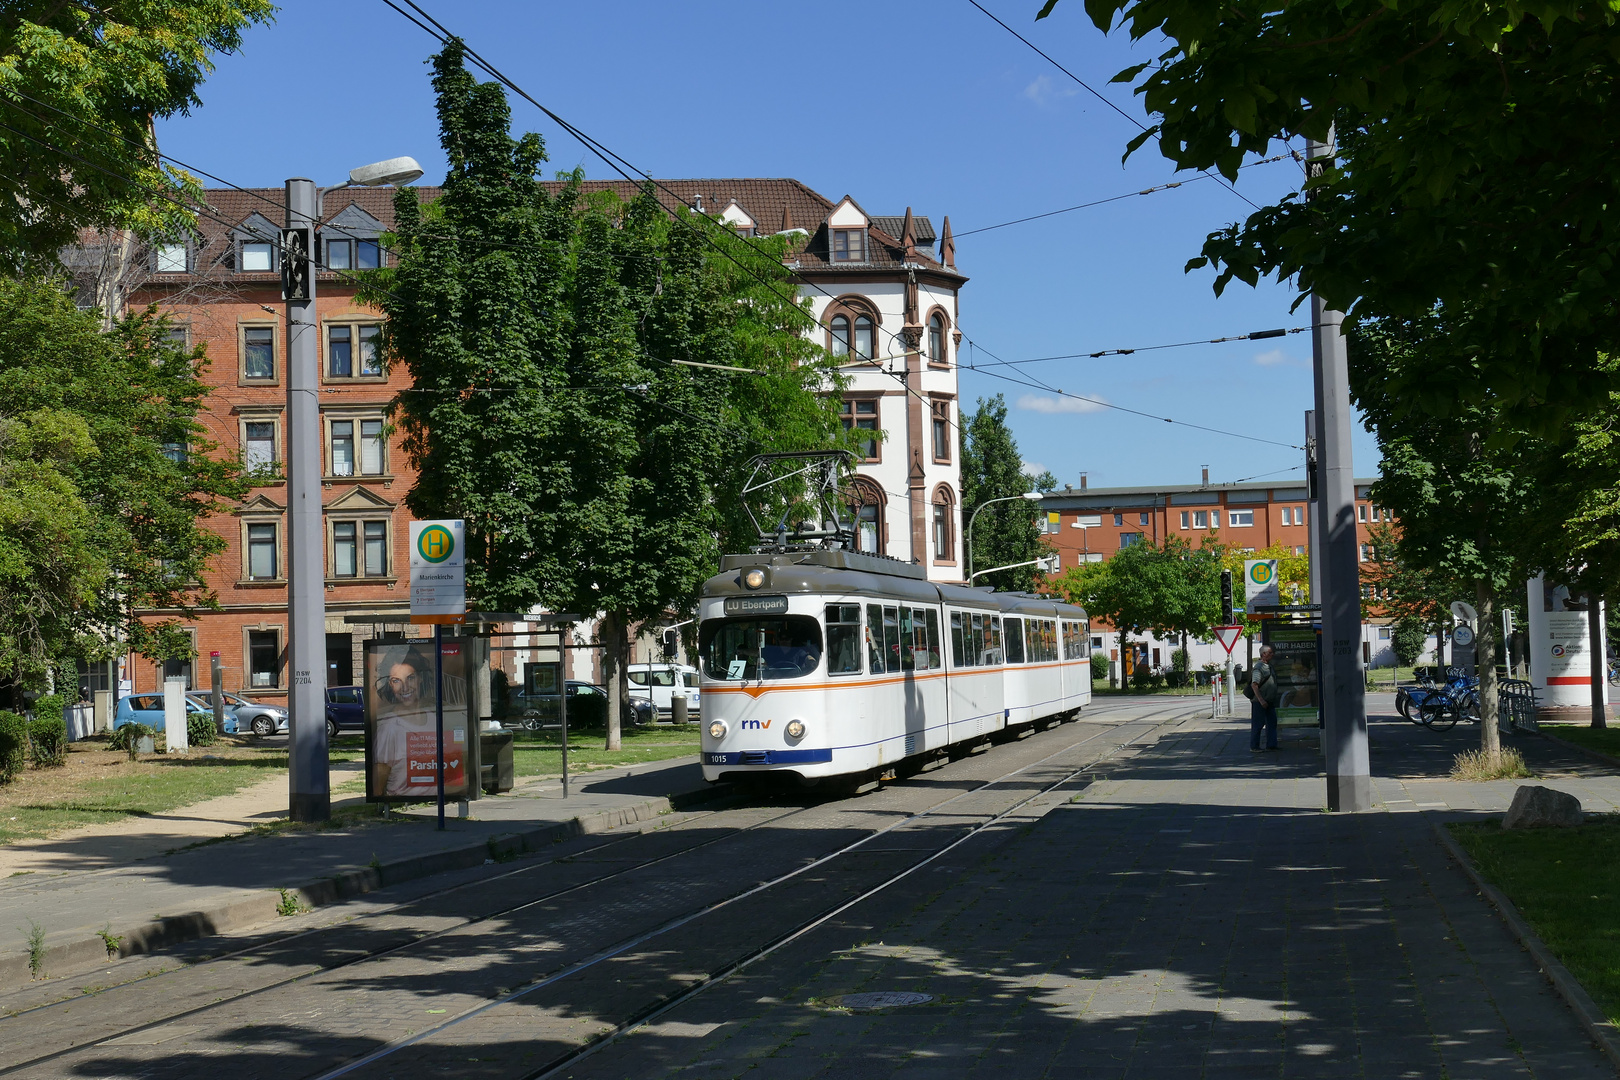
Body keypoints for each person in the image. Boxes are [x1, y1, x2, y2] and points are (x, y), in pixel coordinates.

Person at [1250, 644, 1280, 753]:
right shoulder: (1259, 668)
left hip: (1269, 700)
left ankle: (1271, 745)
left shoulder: (1269, 666)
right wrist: (1261, 700)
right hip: (1260, 702)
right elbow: (1254, 685)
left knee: (1272, 722)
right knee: (1258, 724)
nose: (1272, 654)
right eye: (1270, 653)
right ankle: (1254, 746)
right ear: (1264, 654)